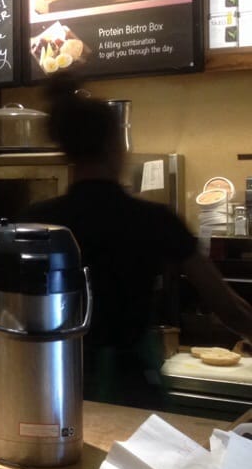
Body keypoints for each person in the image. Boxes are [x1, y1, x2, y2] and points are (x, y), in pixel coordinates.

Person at [18, 76, 252, 408]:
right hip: (132, 388)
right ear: (115, 146)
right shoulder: (154, 219)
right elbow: (229, 307)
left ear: (65, 151)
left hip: (53, 383)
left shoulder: (36, 221)